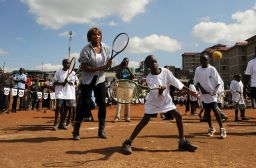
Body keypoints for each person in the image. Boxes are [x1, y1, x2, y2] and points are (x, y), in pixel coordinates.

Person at [121, 55, 198, 155]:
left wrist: (190, 92)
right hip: (153, 102)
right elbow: (156, 95)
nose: (155, 63)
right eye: (152, 62)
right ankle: (128, 142)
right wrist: (161, 90)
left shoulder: (166, 71)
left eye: (155, 61)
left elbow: (177, 82)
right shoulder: (149, 78)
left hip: (166, 101)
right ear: (148, 65)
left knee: (178, 116)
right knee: (145, 121)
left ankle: (182, 142)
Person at [72, 27, 112, 140]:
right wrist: (101, 67)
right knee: (83, 103)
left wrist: (108, 65)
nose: (97, 36)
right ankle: (76, 130)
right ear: (90, 37)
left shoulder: (106, 48)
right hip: (88, 80)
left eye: (99, 34)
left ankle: (101, 130)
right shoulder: (86, 49)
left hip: (100, 79)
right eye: (94, 35)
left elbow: (107, 65)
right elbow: (84, 67)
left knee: (102, 104)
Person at [193, 54, 227, 139]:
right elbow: (196, 82)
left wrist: (215, 91)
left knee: (215, 110)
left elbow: (219, 82)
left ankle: (222, 129)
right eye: (202, 60)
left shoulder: (212, 69)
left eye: (206, 60)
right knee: (207, 112)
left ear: (208, 61)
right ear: (200, 61)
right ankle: (211, 128)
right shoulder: (198, 69)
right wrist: (201, 89)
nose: (204, 62)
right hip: (204, 95)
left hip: (212, 94)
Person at [52, 59, 79, 130]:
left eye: (69, 64)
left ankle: (62, 123)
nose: (69, 65)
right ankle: (56, 123)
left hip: (69, 93)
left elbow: (77, 83)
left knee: (66, 109)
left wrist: (71, 83)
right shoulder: (58, 72)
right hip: (60, 92)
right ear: (63, 64)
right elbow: (53, 83)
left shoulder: (73, 73)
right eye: (67, 63)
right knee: (58, 106)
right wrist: (61, 83)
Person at [114, 57, 135, 122]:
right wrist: (120, 68)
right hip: (120, 86)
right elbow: (118, 76)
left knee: (127, 102)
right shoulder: (119, 68)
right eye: (124, 61)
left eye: (127, 61)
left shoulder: (131, 68)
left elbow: (132, 77)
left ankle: (127, 117)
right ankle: (117, 117)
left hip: (128, 86)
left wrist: (128, 69)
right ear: (122, 61)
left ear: (128, 62)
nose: (126, 62)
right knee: (119, 102)